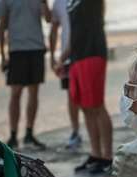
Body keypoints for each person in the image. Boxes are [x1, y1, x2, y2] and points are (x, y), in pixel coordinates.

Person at [56, 0, 113, 174]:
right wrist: (62, 58)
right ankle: (96, 154)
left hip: (93, 52)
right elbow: (74, 32)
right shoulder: (70, 3)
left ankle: (108, 157)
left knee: (97, 106)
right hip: (76, 57)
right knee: (85, 107)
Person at [0, 0, 50, 149]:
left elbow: (48, 19)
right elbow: (2, 26)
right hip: (16, 50)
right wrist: (2, 55)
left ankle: (29, 133)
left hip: (36, 48)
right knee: (16, 93)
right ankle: (13, 135)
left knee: (33, 93)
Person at [50, 0, 83, 151]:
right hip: (66, 57)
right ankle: (75, 131)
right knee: (71, 96)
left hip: (84, 54)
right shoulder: (58, 3)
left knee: (88, 98)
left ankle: (92, 135)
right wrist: (52, 56)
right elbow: (54, 29)